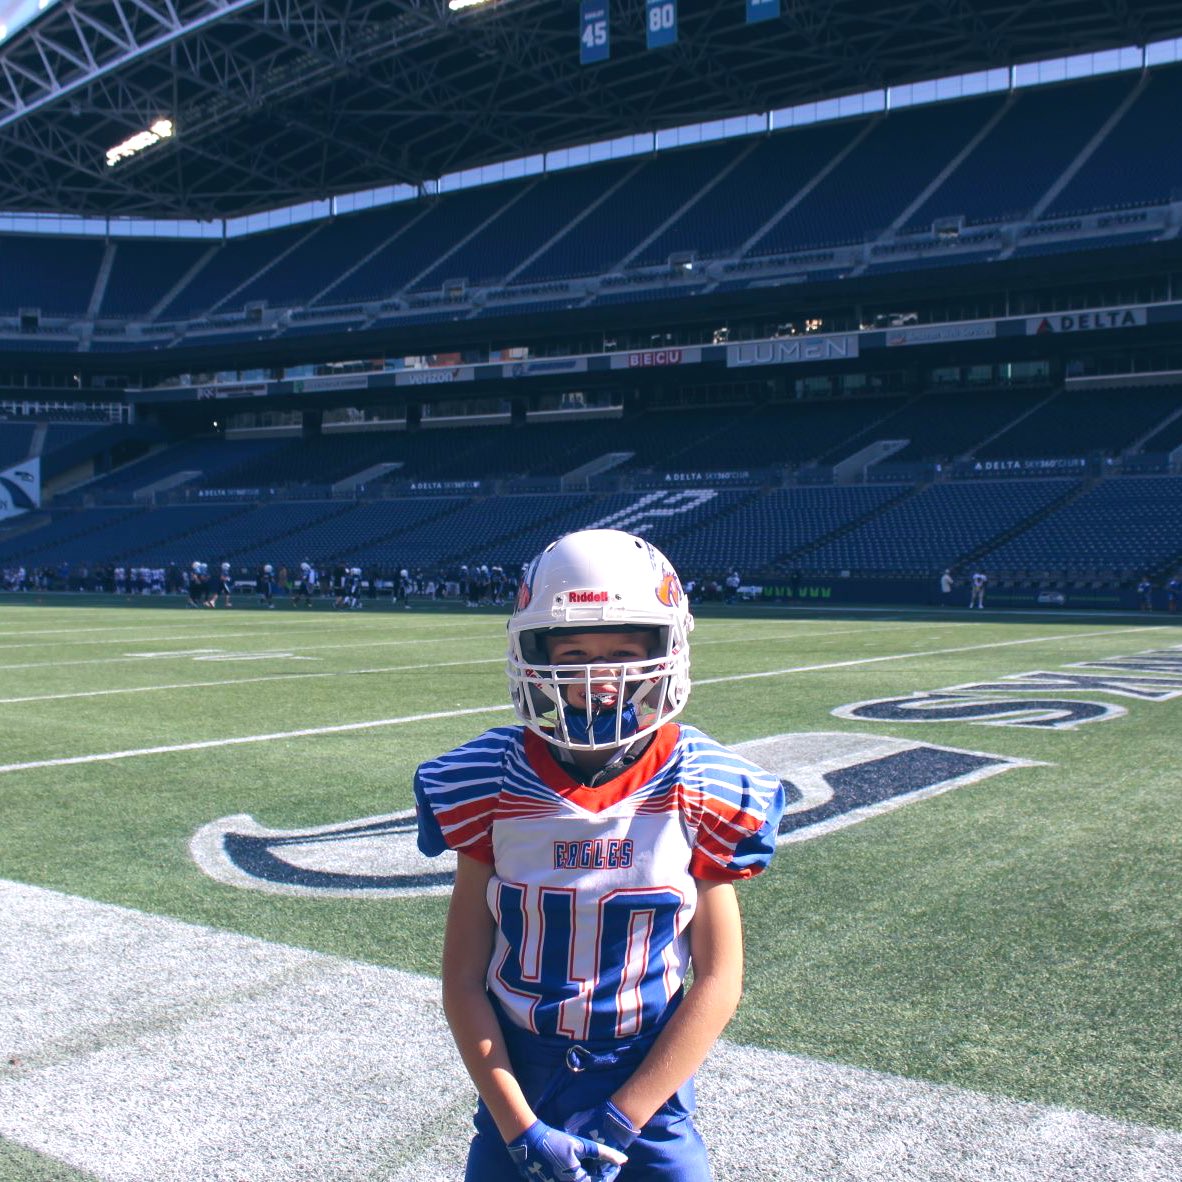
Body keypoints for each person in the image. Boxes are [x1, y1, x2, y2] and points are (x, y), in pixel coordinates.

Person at [414, 528, 785, 1182]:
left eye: (622, 653)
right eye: (575, 653)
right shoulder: (490, 780)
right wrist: (520, 1128)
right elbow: (463, 979)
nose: (598, 676)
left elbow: (719, 979)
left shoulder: (703, 782)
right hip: (520, 1075)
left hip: (649, 1078)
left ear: (666, 650)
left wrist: (624, 1116)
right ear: (534, 654)